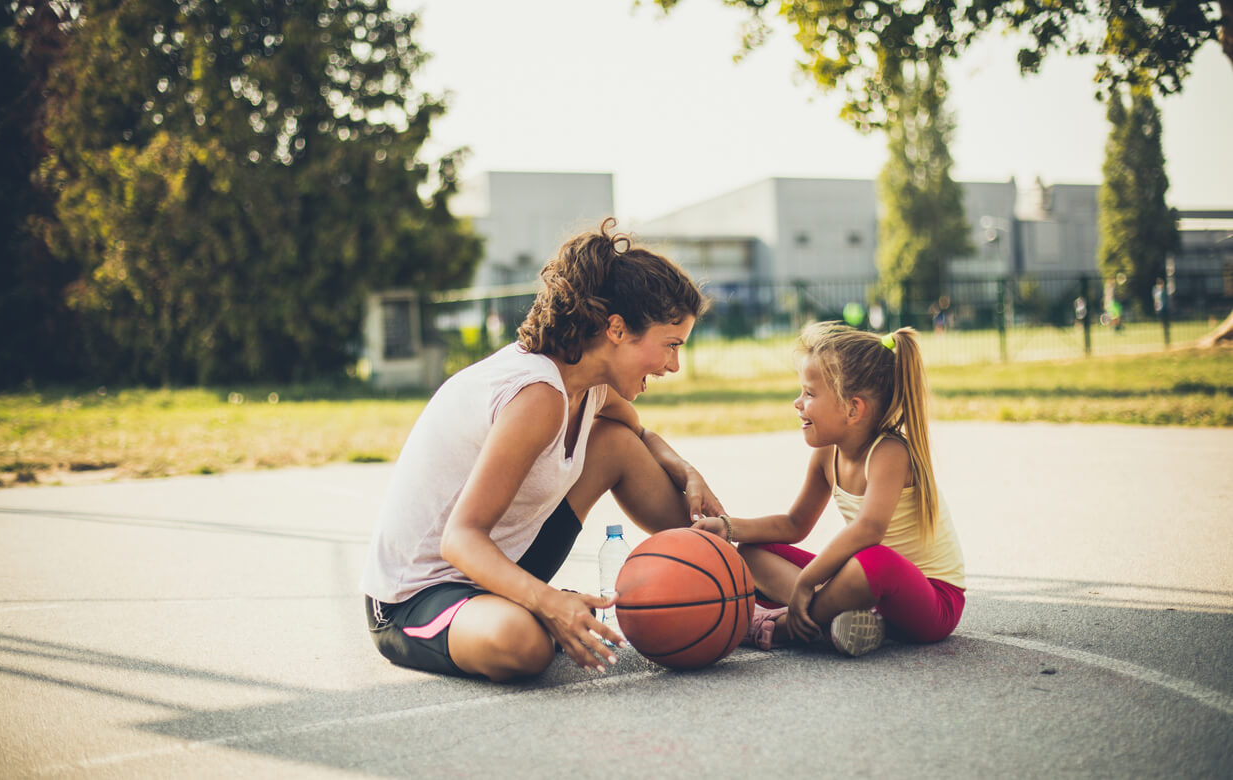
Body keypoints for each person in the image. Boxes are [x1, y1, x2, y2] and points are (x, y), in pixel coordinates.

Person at [361, 219, 719, 682]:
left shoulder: (587, 383)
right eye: (670, 346)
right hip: (419, 595)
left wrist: (686, 471)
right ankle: (546, 611)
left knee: (615, 444)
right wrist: (549, 602)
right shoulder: (537, 394)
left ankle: (720, 577)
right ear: (615, 328)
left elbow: (640, 434)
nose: (673, 364)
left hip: (499, 569)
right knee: (521, 645)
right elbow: (460, 539)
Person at [694, 322, 964, 657]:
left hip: (932, 600)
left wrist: (807, 583)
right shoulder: (827, 453)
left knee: (874, 561)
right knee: (752, 550)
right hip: (866, 591)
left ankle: (781, 629)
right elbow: (794, 524)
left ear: (853, 409)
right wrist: (728, 527)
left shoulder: (890, 453)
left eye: (809, 393)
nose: (797, 402)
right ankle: (835, 619)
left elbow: (869, 530)